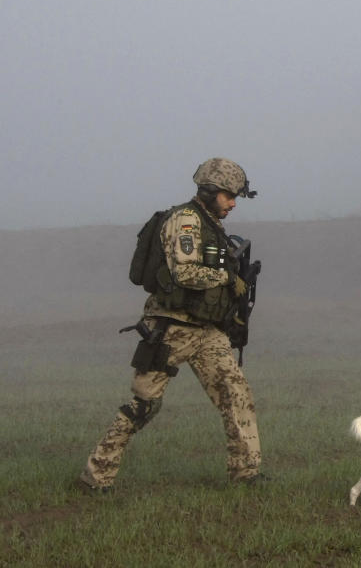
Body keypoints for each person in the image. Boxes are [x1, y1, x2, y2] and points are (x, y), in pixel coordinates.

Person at [79, 158, 264, 492]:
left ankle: (246, 474)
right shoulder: (186, 221)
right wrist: (226, 276)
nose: (233, 202)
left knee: (236, 395)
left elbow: (213, 266)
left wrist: (234, 279)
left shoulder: (211, 224)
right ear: (209, 191)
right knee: (144, 405)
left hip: (206, 331)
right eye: (228, 195)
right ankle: (95, 477)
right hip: (172, 328)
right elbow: (186, 273)